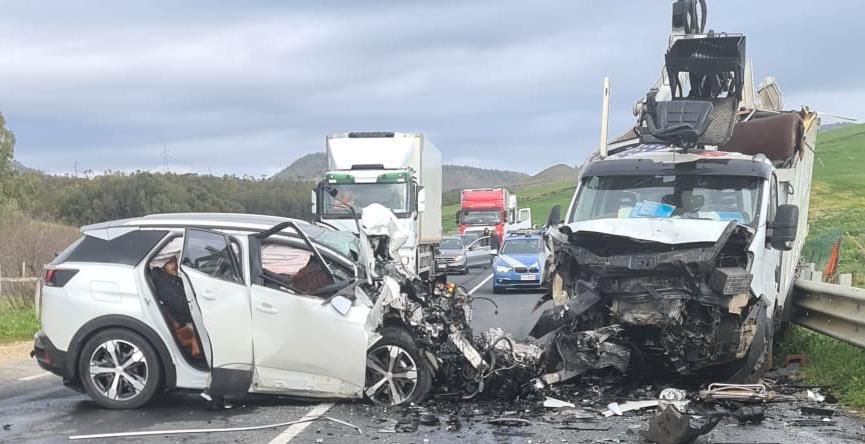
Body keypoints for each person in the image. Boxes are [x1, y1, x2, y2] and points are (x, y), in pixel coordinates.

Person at [151, 256, 201, 358]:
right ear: (162, 266)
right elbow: (182, 307)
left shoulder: (172, 280)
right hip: (187, 319)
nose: (175, 265)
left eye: (175, 261)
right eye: (170, 262)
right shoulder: (165, 286)